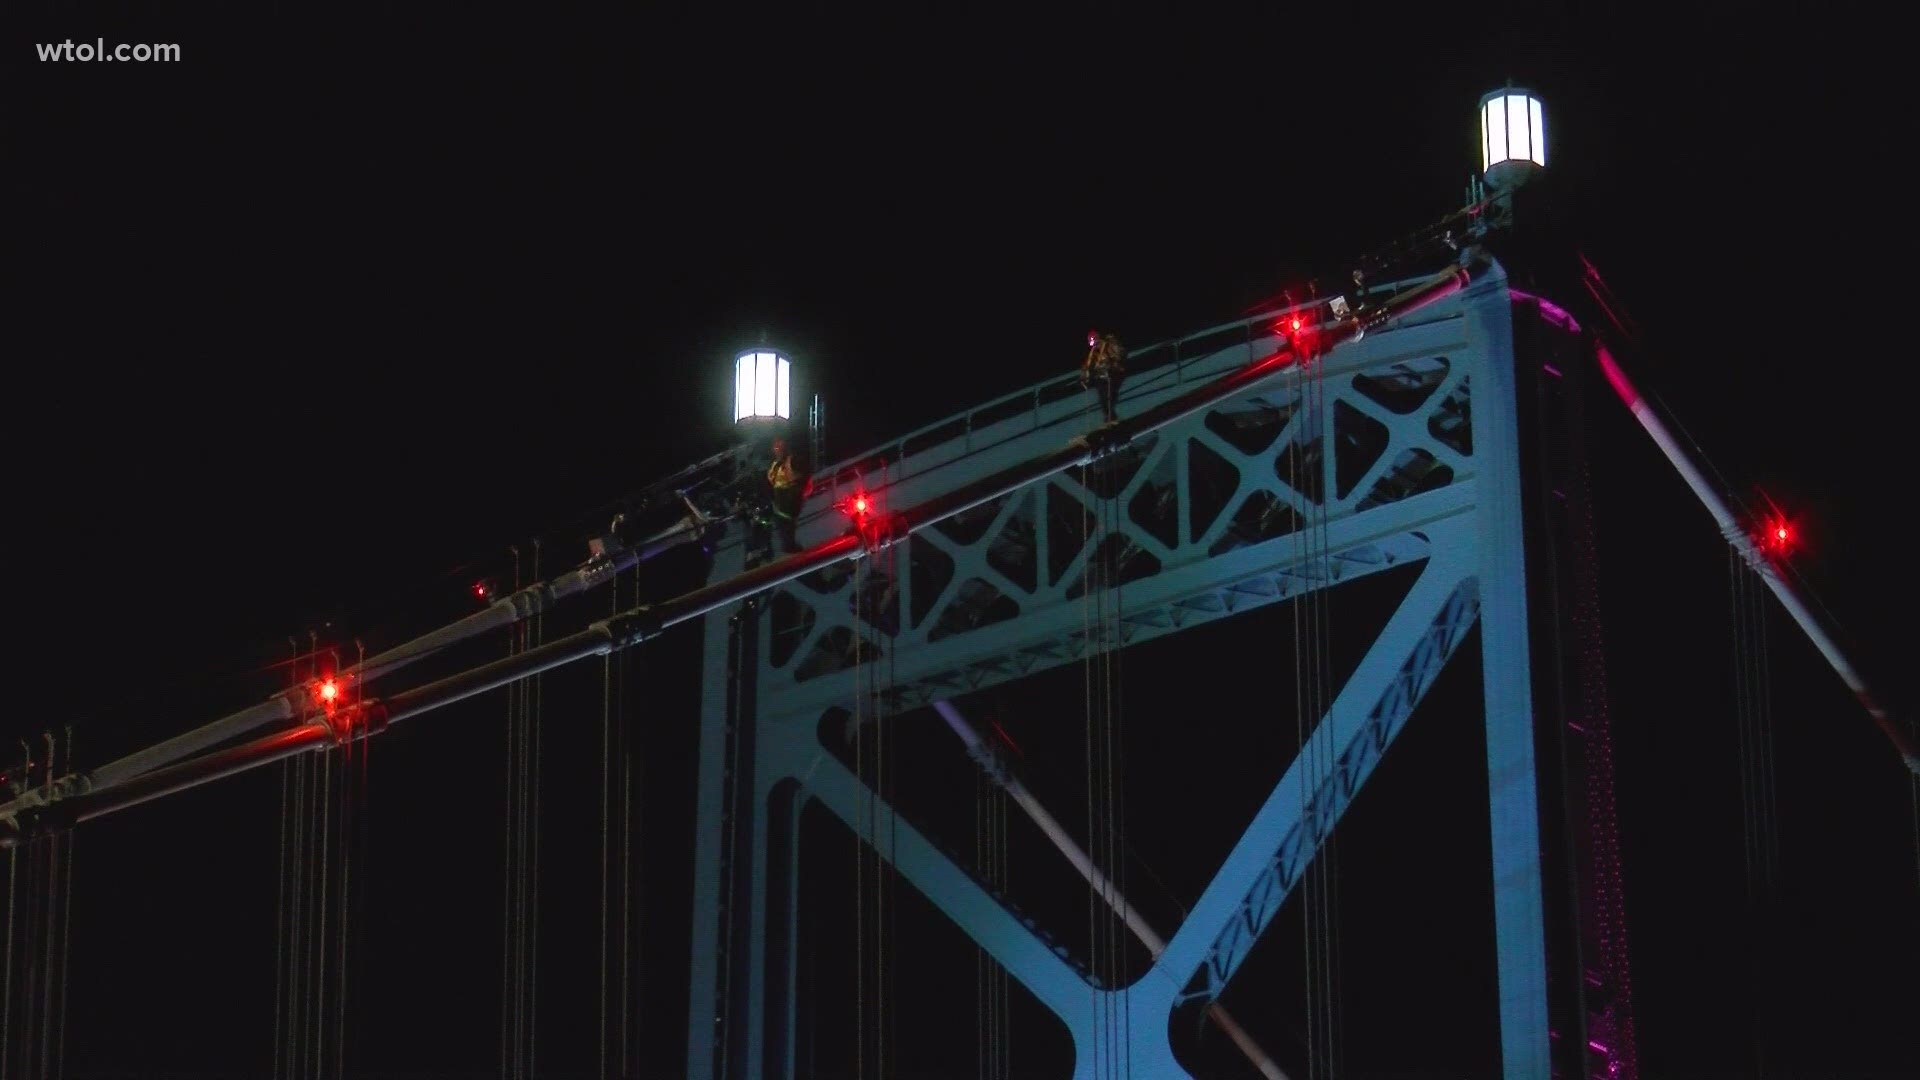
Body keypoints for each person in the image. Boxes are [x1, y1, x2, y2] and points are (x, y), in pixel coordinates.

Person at [766, 437, 810, 552]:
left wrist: (796, 489)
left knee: (788, 537)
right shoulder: (775, 464)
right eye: (775, 447)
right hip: (778, 507)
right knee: (783, 537)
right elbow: (771, 481)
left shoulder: (793, 461)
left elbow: (803, 478)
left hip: (789, 506)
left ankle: (796, 554)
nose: (777, 450)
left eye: (780, 447)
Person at [1080, 329, 1126, 424]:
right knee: (1103, 399)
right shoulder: (1093, 353)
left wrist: (1111, 365)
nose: (1095, 346)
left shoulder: (1108, 346)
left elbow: (1119, 356)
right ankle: (1109, 418)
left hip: (1114, 374)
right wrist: (1084, 377)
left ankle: (1112, 418)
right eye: (1092, 344)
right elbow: (1086, 366)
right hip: (1101, 378)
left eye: (1095, 343)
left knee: (1110, 395)